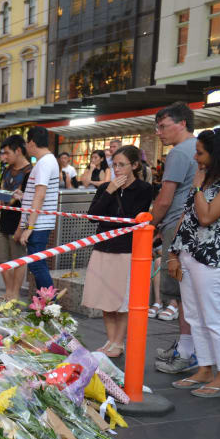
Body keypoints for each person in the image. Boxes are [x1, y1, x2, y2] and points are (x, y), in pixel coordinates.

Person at [165, 128, 220, 396]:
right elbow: (186, 216)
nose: (197, 158)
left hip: (214, 256)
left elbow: (206, 216)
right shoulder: (207, 178)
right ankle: (204, 368)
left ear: (217, 153)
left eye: (200, 153)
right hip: (190, 253)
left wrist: (198, 186)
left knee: (215, 316)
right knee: (194, 316)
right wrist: (173, 252)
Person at [81, 146, 154, 357]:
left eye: (122, 165)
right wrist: (110, 190)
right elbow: (93, 215)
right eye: (115, 165)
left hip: (126, 249)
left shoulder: (144, 189)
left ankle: (118, 342)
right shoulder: (105, 186)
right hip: (103, 247)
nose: (118, 169)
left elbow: (133, 217)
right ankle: (110, 340)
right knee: (105, 299)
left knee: (122, 300)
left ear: (135, 165)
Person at [151, 102, 199, 373]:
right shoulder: (198, 147)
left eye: (163, 126)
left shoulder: (180, 153)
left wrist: (150, 224)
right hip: (192, 226)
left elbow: (165, 198)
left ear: (182, 123)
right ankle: (186, 345)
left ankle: (186, 351)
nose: (159, 132)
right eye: (157, 127)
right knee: (188, 294)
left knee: (181, 294)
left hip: (178, 227)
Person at [15, 127, 59, 289]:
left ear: (32, 142)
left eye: (27, 142)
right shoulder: (46, 161)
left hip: (39, 224)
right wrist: (24, 196)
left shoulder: (45, 163)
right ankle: (45, 305)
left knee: (37, 265)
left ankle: (50, 305)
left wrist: (29, 227)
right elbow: (37, 194)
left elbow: (40, 195)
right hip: (39, 222)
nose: (26, 146)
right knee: (36, 264)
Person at [0, 134, 32, 299]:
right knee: (2, 259)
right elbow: (2, 194)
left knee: (18, 260)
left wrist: (21, 228)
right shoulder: (7, 169)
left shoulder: (30, 172)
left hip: (19, 222)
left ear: (19, 151)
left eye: (7, 153)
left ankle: (14, 294)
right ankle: (8, 293)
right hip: (4, 220)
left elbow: (28, 203)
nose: (4, 157)